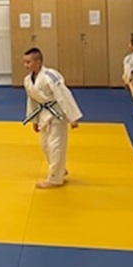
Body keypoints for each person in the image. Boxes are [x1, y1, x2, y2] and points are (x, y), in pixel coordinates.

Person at [22, 47, 83, 189]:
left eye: (28, 62)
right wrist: (34, 119)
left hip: (58, 113)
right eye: (24, 62)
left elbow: (63, 95)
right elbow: (32, 100)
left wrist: (71, 117)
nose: (26, 65)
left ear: (38, 62)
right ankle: (60, 169)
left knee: (55, 145)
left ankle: (55, 179)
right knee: (44, 145)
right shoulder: (28, 80)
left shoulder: (50, 76)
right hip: (43, 114)